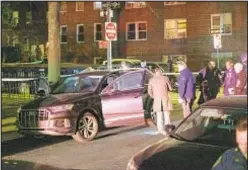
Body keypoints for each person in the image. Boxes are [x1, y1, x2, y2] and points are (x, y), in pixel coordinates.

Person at [148, 66, 173, 135]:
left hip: (157, 99)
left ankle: (160, 129)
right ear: (160, 72)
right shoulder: (165, 78)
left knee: (159, 115)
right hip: (165, 98)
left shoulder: (151, 80)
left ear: (154, 73)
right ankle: (167, 129)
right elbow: (170, 88)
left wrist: (154, 97)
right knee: (166, 114)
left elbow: (149, 91)